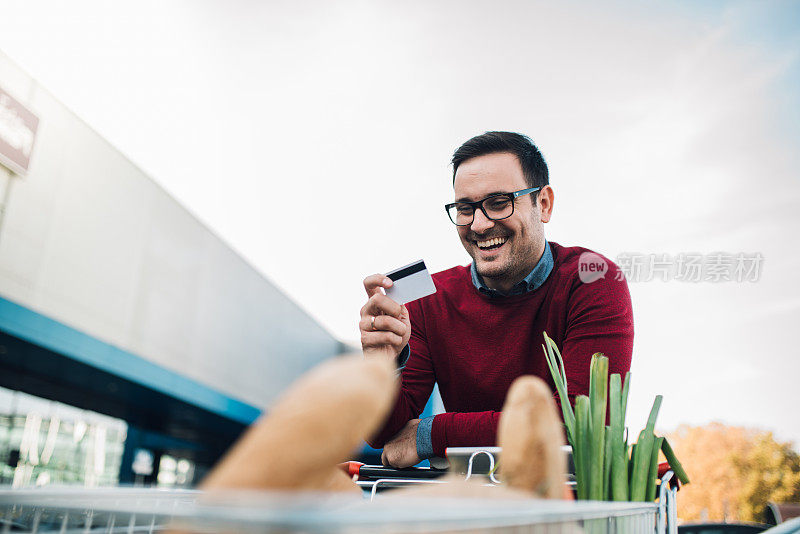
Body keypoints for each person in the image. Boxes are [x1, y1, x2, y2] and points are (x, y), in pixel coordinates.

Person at [360, 131, 634, 468]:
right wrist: (383, 366)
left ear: (543, 204)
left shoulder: (594, 280)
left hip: (568, 503)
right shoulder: (427, 300)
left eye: (499, 203)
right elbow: (382, 433)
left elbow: (582, 424)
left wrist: (432, 434)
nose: (479, 224)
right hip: (475, 503)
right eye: (465, 208)